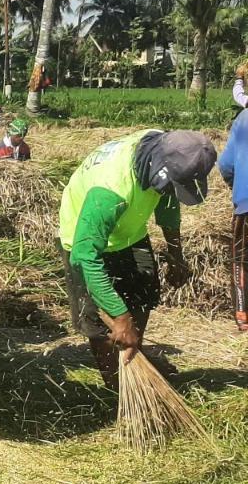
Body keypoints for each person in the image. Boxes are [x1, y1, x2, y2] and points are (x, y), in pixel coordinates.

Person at [59, 130, 215, 386]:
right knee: (99, 323)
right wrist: (120, 317)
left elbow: (168, 200)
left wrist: (176, 253)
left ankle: (133, 356)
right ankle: (117, 389)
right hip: (83, 240)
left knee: (143, 295)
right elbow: (85, 255)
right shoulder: (111, 187)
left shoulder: (162, 147)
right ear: (158, 170)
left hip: (130, 233)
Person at [218, 110, 248, 332]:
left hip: (246, 202)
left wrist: (235, 185)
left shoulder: (244, 117)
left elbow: (226, 164)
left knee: (242, 259)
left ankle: (242, 315)